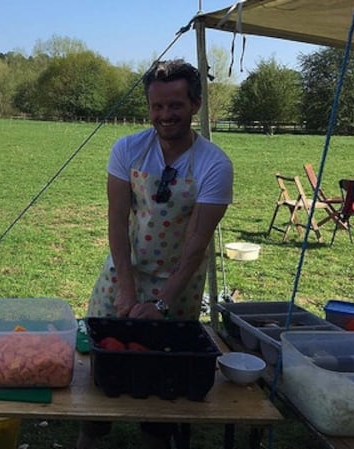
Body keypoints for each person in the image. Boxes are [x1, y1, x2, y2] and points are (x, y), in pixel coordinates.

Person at [78, 59, 233, 449]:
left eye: (175, 105)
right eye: (157, 106)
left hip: (179, 282)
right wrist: (127, 291)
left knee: (165, 382)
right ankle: (92, 432)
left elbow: (197, 242)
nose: (165, 115)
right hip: (124, 273)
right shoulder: (128, 149)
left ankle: (157, 436)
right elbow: (117, 222)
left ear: (195, 104)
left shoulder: (215, 164)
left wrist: (162, 303)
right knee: (103, 369)